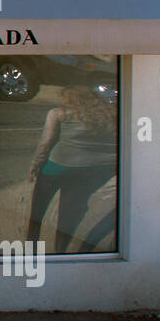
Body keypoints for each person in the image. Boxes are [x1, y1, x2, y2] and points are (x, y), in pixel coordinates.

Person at [25, 86, 117, 253]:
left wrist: (35, 165)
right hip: (87, 173)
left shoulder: (59, 114)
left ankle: (31, 247)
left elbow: (45, 144)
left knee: (38, 210)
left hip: (57, 167)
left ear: (68, 99)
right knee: (67, 216)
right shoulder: (110, 115)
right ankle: (61, 252)